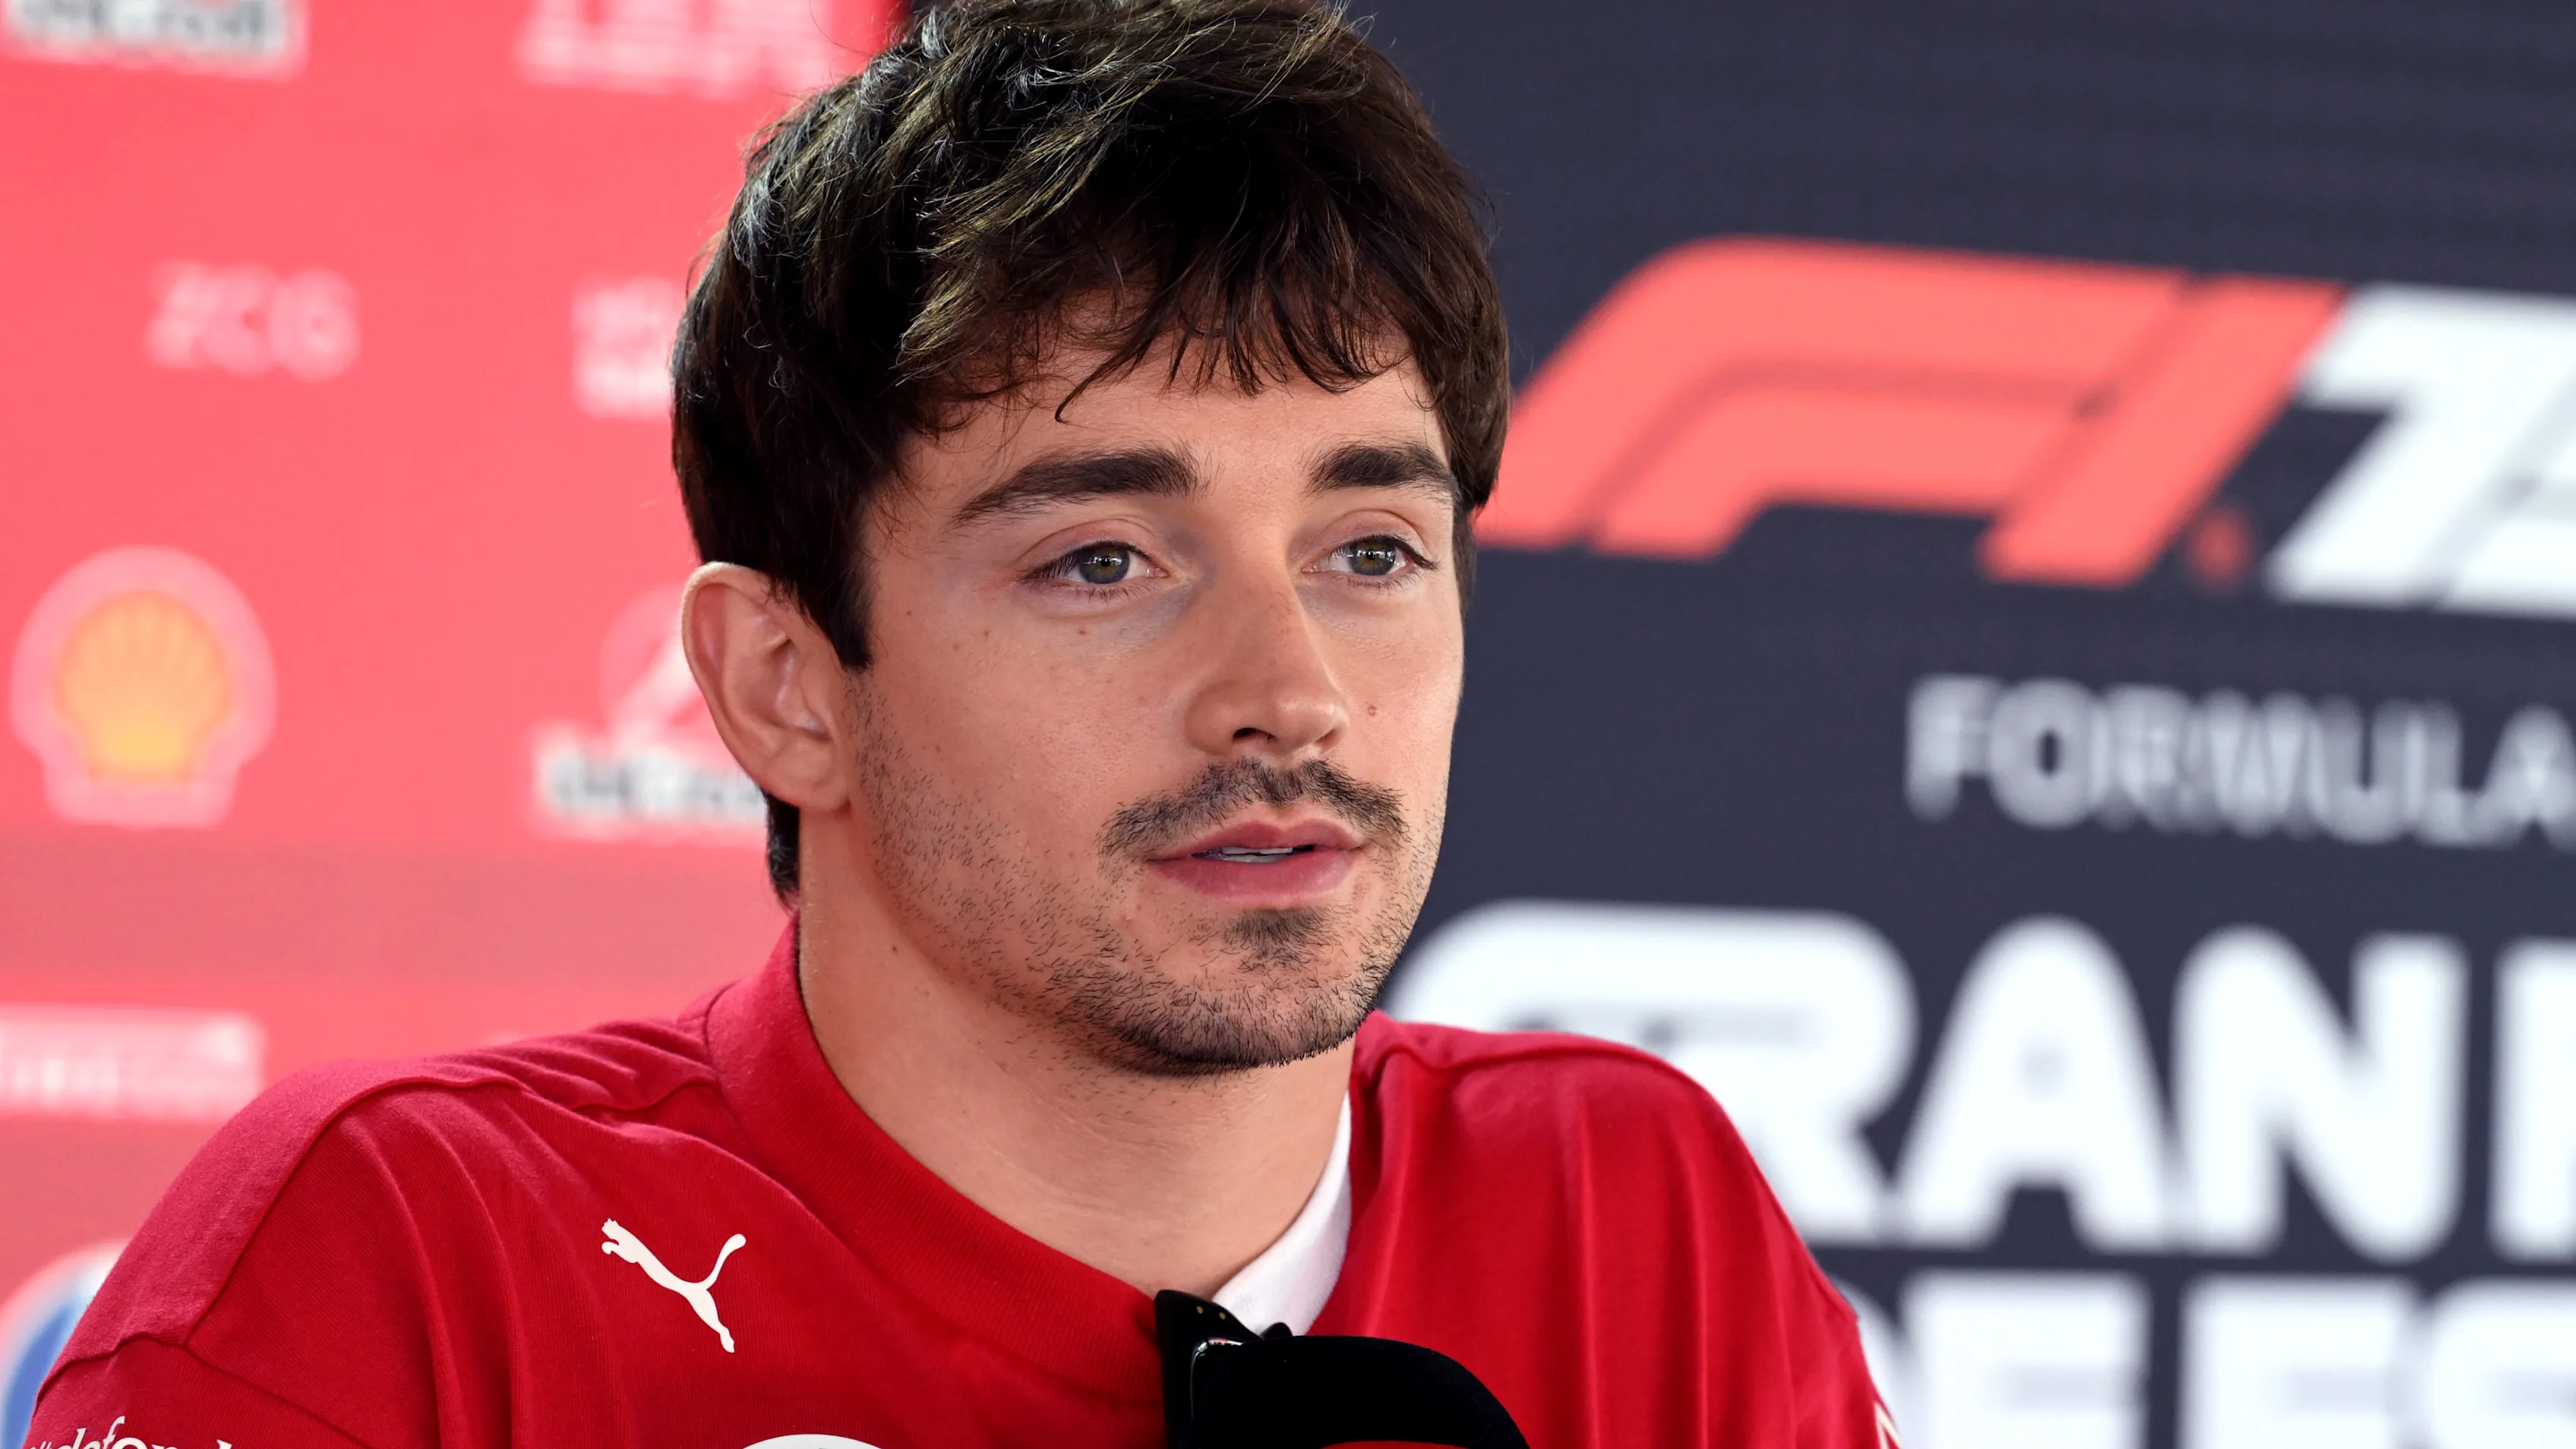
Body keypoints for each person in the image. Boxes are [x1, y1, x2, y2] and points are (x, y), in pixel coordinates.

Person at [30, 2, 1892, 1445]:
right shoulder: (402, 1263)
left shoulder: (1640, 1211)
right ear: (783, 689)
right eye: (1102, 561)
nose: (1290, 691)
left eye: (1372, 547)